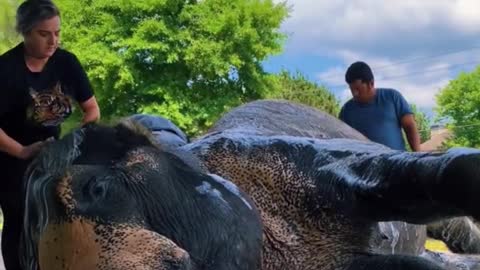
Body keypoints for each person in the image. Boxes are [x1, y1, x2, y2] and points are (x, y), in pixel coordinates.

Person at [0, 0, 100, 269]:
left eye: (57, 33)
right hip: (10, 160)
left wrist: (71, 145)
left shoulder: (67, 63)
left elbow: (91, 111)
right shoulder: (5, 70)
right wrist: (22, 151)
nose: (53, 41)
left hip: (53, 157)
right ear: (26, 32)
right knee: (20, 222)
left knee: (61, 220)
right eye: (44, 34)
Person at [339, 61, 420, 152]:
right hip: (364, 165)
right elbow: (342, 141)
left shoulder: (392, 97)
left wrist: (417, 156)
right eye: (352, 89)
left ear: (371, 83)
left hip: (396, 164)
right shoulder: (346, 111)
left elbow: (410, 126)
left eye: (358, 89)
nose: (354, 94)